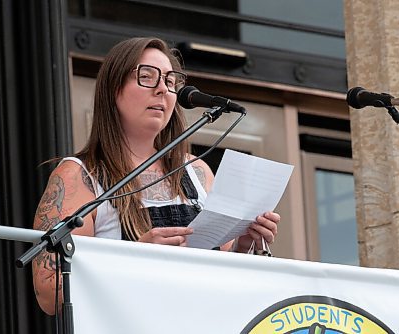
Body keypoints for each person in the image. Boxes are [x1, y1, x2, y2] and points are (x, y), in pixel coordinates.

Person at [32, 37, 281, 315]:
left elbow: (221, 276)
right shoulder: (78, 175)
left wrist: (244, 246)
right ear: (114, 90)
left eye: (171, 82)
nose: (163, 89)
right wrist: (135, 259)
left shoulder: (196, 171)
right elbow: (49, 293)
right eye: (147, 77)